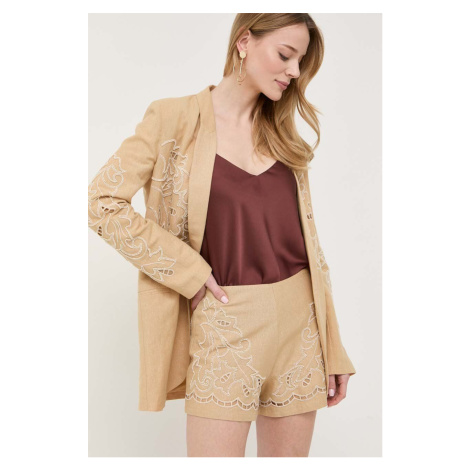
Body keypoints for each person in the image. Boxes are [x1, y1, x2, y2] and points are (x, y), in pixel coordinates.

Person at [88, 13, 356, 458]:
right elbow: (101, 202)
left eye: (300, 61)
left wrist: (333, 343)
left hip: (301, 327)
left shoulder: (283, 132)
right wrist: (189, 272)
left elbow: (311, 246)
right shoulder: (172, 119)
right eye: (285, 55)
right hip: (225, 322)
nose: (294, 71)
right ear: (244, 42)